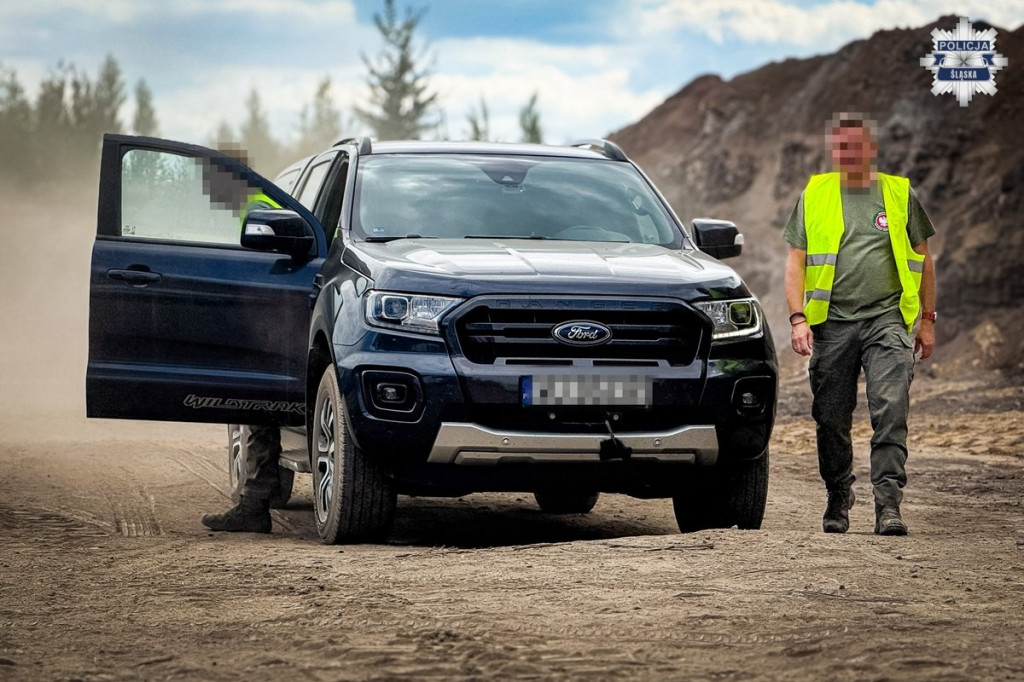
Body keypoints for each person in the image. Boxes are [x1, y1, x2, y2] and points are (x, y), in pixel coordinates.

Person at [784, 113, 936, 536]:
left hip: (886, 319)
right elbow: (795, 262)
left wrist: (927, 321)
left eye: (858, 146)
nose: (850, 154)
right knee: (831, 417)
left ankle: (889, 506)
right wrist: (798, 319)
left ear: (872, 149)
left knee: (891, 411)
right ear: (835, 151)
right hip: (831, 323)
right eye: (843, 147)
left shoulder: (899, 193)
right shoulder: (815, 194)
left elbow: (923, 260)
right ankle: (838, 493)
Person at [199, 158, 285, 534]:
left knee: (258, 410)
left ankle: (254, 505)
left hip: (273, 326)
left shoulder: (259, 212)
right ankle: (257, 499)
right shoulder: (265, 207)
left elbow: (263, 270)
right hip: (276, 322)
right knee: (259, 414)